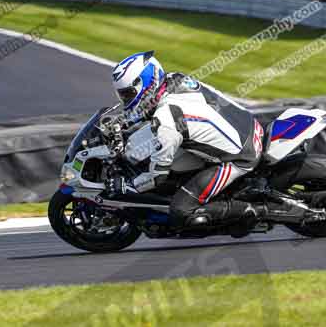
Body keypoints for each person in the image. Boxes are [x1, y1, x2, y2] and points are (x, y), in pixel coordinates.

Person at [107, 51, 304, 229]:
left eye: (127, 94)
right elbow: (158, 115)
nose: (125, 99)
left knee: (181, 212)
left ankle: (262, 211)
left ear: (146, 85)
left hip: (239, 157)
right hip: (247, 125)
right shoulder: (175, 80)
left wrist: (127, 186)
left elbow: (158, 176)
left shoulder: (166, 122)